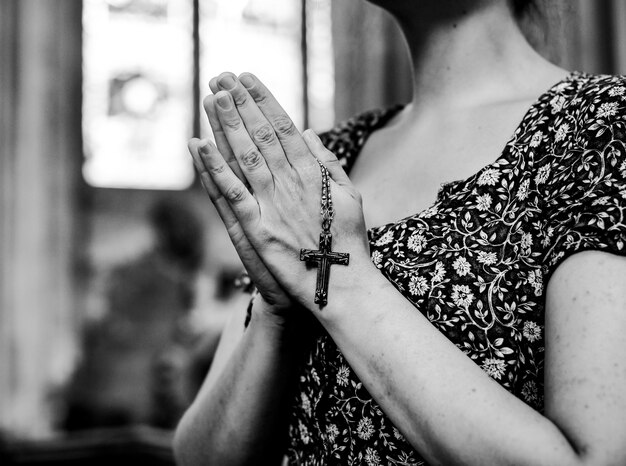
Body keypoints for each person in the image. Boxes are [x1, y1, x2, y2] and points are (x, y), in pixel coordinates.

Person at [175, 0, 626, 464]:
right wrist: (277, 312)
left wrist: (339, 282)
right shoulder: (324, 159)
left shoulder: (602, 127)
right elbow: (199, 458)